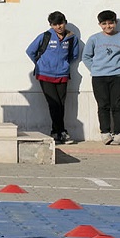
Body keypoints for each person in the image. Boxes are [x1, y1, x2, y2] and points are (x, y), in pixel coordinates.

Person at [26, 12, 83, 145]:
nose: (59, 26)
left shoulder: (71, 38)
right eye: (55, 24)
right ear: (51, 25)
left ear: (65, 22)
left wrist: (64, 64)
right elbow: (30, 51)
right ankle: (62, 131)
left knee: (61, 104)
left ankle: (55, 132)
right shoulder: (45, 36)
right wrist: (41, 63)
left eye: (61, 23)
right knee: (54, 104)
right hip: (45, 74)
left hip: (62, 74)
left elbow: (74, 55)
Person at [82, 9, 120, 145]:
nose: (108, 26)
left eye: (111, 23)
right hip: (99, 77)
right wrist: (95, 69)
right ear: (100, 24)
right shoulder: (94, 39)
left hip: (119, 76)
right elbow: (86, 57)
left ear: (116, 23)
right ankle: (105, 133)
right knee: (103, 105)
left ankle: (119, 133)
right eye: (104, 24)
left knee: (118, 105)